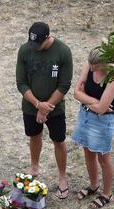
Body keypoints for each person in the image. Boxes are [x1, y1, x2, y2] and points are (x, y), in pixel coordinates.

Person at [15, 21, 73, 199]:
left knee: (58, 141)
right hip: (31, 107)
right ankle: (34, 166)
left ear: (48, 38)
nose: (35, 48)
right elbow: (21, 83)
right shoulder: (25, 50)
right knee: (34, 136)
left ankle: (62, 177)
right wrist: (38, 105)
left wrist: (46, 107)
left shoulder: (63, 52)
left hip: (55, 109)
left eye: (38, 44)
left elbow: (64, 85)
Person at [72, 46, 114, 208]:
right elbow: (76, 93)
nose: (91, 68)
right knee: (88, 152)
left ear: (105, 63)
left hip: (102, 123)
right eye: (90, 65)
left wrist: (85, 99)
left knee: (103, 158)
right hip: (85, 116)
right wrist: (94, 102)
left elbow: (101, 110)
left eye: (95, 67)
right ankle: (93, 185)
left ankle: (107, 193)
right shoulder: (90, 63)